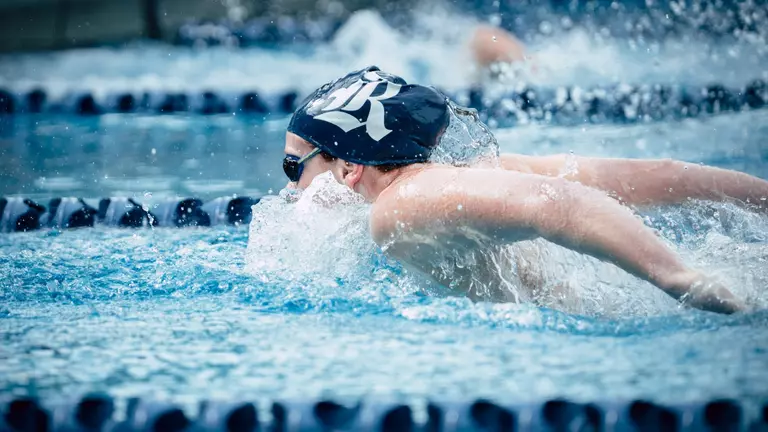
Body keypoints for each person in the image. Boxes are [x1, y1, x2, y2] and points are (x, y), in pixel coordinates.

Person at [281, 66, 768, 314]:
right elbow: (650, 175)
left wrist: (680, 279)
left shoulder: (398, 209)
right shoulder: (475, 173)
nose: (289, 192)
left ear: (348, 168)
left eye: (293, 167)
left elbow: (553, 203)